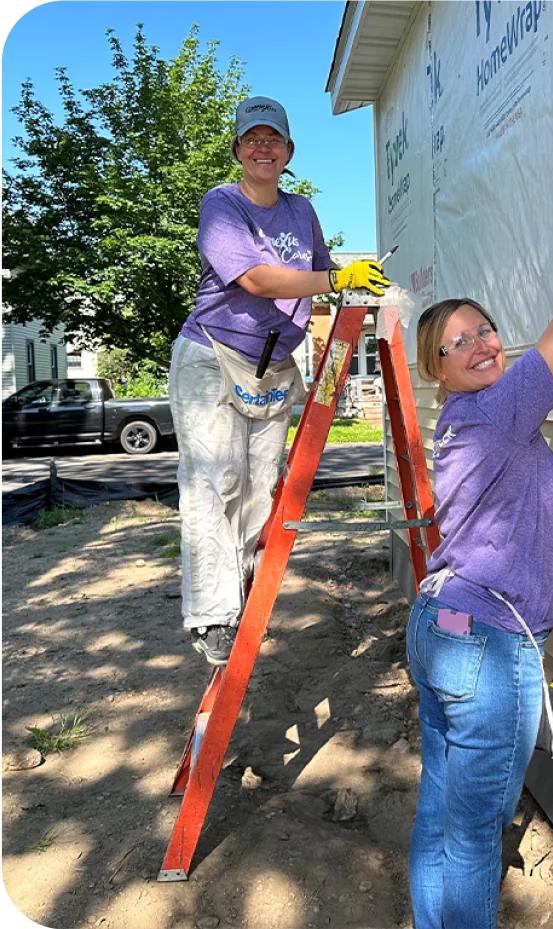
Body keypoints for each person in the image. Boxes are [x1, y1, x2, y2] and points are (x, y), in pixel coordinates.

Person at [406, 147, 553, 929]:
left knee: (442, 814)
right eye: (459, 342)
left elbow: (500, 501)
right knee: (472, 835)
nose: (484, 343)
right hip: (488, 648)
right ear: (439, 368)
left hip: (444, 627)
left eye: (486, 329)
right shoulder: (499, 407)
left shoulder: (477, 421)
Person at [168, 96, 390, 666]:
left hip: (273, 365)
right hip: (212, 356)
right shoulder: (221, 204)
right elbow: (261, 280)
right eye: (252, 139)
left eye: (274, 139)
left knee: (258, 487)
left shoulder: (302, 211)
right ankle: (211, 614)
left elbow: (314, 282)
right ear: (239, 150)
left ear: (289, 152)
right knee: (212, 485)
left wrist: (355, 294)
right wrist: (337, 274)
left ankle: (235, 591)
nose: (263, 147)